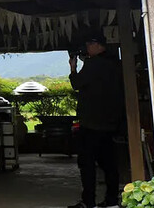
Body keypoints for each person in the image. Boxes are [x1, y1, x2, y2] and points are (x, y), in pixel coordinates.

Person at [67, 32, 124, 208]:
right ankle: (112, 199)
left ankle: (88, 201)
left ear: (97, 45)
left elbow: (77, 83)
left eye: (89, 45)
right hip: (111, 122)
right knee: (109, 164)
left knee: (87, 164)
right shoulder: (116, 64)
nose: (87, 49)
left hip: (91, 122)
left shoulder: (94, 64)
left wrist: (73, 68)